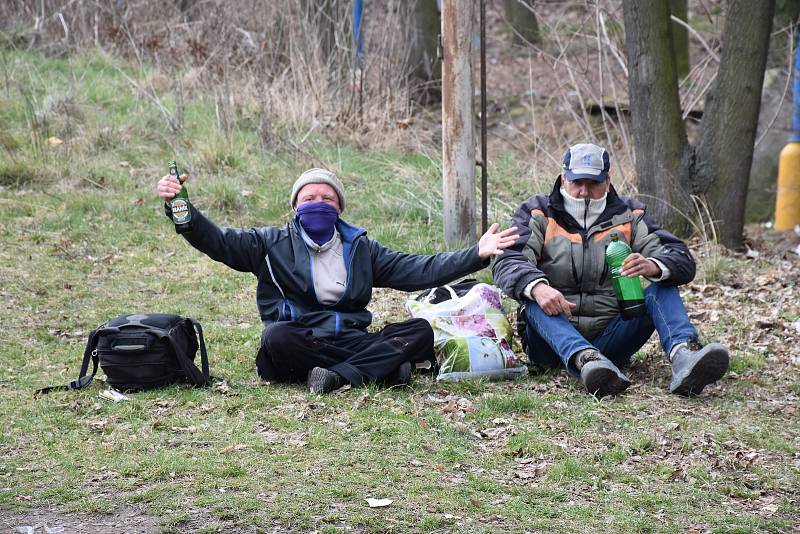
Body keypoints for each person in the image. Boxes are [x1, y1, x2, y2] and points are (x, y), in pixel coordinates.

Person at [157, 168, 519, 394]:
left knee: (421, 332)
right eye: (310, 198)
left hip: (351, 339)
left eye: (327, 198)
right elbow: (217, 242)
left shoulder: (362, 249)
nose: (319, 203)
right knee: (276, 337)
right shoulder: (268, 243)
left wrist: (476, 253)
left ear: (339, 208)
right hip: (299, 340)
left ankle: (337, 377)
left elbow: (420, 270)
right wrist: (182, 212)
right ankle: (373, 369)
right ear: (295, 206)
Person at [492, 143, 730, 398]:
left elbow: (681, 258)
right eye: (577, 182)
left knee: (662, 285)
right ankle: (585, 359)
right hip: (550, 343)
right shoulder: (537, 211)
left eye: (593, 183)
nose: (584, 191)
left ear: (607, 181)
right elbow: (507, 259)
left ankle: (685, 355)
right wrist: (537, 287)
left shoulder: (630, 214)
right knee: (534, 296)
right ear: (563, 179)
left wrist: (654, 265)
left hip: (612, 340)